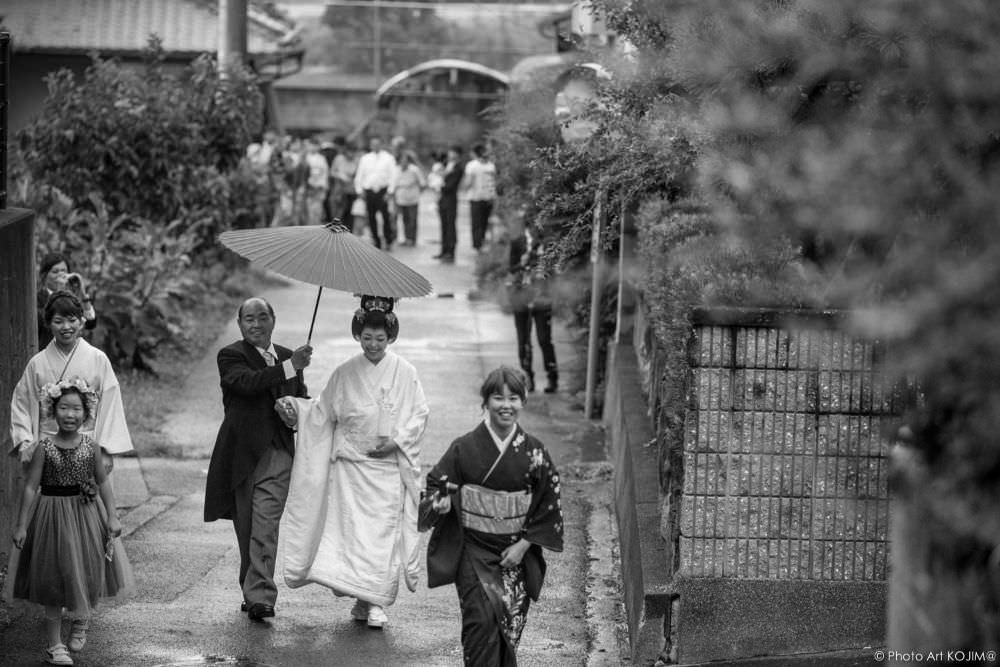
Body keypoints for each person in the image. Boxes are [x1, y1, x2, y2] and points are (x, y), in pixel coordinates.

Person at [279, 295, 429, 629]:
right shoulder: (345, 372)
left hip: (386, 466)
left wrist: (398, 440)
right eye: (367, 338)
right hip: (351, 469)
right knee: (352, 537)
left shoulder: (405, 372)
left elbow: (419, 413)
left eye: (379, 338)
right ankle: (361, 598)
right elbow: (322, 412)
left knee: (380, 538)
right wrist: (296, 409)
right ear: (357, 336)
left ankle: (374, 600)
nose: (373, 344)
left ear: (390, 337)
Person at [419, 366, 563, 666]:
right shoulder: (464, 447)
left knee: (508, 632)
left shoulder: (535, 452)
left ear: (523, 402)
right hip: (473, 552)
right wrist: (441, 502)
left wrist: (524, 545)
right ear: (485, 402)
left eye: (513, 398)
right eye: (498, 397)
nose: (506, 405)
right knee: (481, 625)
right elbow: (435, 486)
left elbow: (549, 500)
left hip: (516, 557)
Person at [203, 297, 312, 622]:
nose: (256, 324)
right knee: (247, 529)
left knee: (265, 527)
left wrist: (294, 410)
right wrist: (291, 367)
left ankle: (262, 597)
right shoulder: (231, 355)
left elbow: (302, 400)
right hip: (241, 457)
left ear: (273, 320)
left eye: (262, 317)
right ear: (240, 325)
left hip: (278, 453)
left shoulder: (289, 356)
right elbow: (247, 384)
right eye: (248, 319)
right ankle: (251, 589)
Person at [12, 379, 134, 666]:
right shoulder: (44, 447)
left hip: (85, 516)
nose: (70, 414)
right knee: (53, 579)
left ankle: (81, 621)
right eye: (64, 408)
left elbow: (102, 483)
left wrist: (113, 516)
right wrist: (21, 525)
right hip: (51, 517)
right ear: (53, 411)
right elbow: (30, 486)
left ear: (86, 412)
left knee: (87, 570)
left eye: (76, 409)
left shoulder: (91, 446)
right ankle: (54, 645)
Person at [12, 291, 133, 468]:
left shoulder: (98, 358)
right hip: (47, 447)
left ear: (82, 321)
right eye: (58, 321)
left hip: (88, 445)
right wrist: (25, 442)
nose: (66, 327)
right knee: (48, 495)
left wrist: (106, 450)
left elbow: (110, 403)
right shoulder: (37, 363)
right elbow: (21, 404)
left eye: (72, 320)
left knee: (88, 494)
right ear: (48, 324)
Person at [507, 220, 559, 394]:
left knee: (544, 339)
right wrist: (522, 264)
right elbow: (511, 268)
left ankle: (552, 376)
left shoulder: (548, 245)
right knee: (524, 340)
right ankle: (528, 376)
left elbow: (554, 272)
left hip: (542, 298)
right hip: (521, 297)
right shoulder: (518, 242)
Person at [36, 253, 97, 350]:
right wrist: (59, 293)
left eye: (64, 271)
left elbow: (91, 323)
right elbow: (45, 324)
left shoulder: (72, 298)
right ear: (44, 276)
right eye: (55, 272)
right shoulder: (37, 299)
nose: (61, 275)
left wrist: (83, 294)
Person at [354, 136, 397, 249]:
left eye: (377, 144)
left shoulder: (388, 158)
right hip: (369, 191)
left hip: (383, 191)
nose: (375, 146)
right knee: (371, 217)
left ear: (381, 144)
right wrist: (359, 190)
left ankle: (388, 239)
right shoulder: (365, 158)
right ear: (370, 145)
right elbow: (359, 176)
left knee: (385, 217)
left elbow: (393, 176)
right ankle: (376, 240)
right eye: (373, 144)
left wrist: (390, 191)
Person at [462, 143, 498, 252]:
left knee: (478, 222)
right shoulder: (490, 165)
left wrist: (464, 188)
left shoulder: (473, 165)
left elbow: (468, 182)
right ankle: (479, 243)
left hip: (480, 197)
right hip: (483, 197)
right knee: (483, 222)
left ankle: (478, 244)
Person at [434, 145, 465, 262]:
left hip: (451, 199)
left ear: (458, 154)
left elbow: (450, 186)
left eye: (453, 152)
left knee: (450, 226)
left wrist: (439, 185)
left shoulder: (459, 168)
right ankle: (443, 250)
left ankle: (451, 252)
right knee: (443, 225)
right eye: (450, 152)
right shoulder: (446, 165)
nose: (450, 154)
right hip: (442, 199)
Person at [392, 150, 427, 246]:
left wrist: (418, 193)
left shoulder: (414, 170)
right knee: (404, 219)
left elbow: (423, 183)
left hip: (413, 199)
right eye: (401, 161)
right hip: (400, 199)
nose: (403, 163)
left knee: (412, 220)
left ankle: (412, 239)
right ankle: (406, 238)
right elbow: (393, 184)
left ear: (408, 161)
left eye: (405, 161)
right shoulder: (396, 169)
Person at [330, 141, 360, 230]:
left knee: (349, 215)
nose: (351, 154)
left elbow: (358, 175)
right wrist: (340, 175)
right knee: (337, 215)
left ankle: (347, 235)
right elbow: (332, 172)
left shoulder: (357, 160)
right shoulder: (339, 159)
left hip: (351, 191)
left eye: (353, 151)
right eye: (349, 151)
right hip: (339, 191)